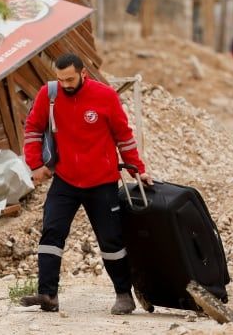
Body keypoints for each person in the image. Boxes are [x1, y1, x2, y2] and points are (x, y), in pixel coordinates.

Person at [20, 53, 152, 315]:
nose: (65, 84)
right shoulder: (50, 93)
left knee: (111, 240)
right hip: (66, 180)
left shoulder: (105, 96)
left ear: (83, 74)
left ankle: (124, 295)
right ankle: (48, 294)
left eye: (70, 79)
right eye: (60, 79)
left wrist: (139, 170)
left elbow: (123, 136)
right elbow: (33, 129)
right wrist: (35, 165)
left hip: (102, 182)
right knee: (51, 234)